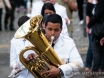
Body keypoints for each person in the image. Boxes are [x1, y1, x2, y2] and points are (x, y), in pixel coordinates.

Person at [87, 0, 104, 72]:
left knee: (95, 50)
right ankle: (100, 68)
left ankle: (95, 70)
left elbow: (96, 16)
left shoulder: (101, 3)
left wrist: (89, 25)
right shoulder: (97, 3)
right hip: (99, 29)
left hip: (99, 30)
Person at [85, 0, 98, 72]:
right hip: (92, 28)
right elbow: (87, 15)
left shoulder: (101, 2)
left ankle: (99, 67)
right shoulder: (89, 2)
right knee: (91, 47)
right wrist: (87, 26)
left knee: (99, 48)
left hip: (99, 28)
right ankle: (88, 65)